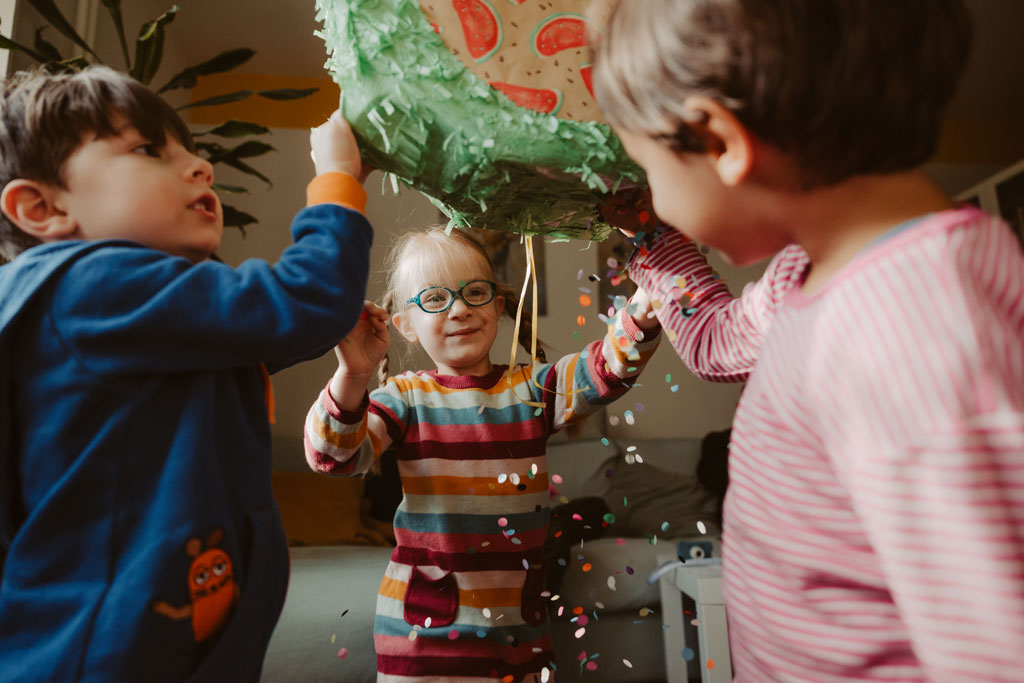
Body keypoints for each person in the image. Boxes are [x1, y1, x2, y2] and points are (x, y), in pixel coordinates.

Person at [591, 1, 1024, 681]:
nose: (654, 192)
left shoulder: (904, 329)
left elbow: (993, 653)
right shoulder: (812, 271)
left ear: (721, 143)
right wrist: (651, 236)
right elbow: (711, 338)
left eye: (649, 168)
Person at [0, 66, 373, 681]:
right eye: (149, 151)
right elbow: (302, 302)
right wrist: (337, 183)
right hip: (104, 653)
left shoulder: (106, 309)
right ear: (43, 207)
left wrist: (319, 322)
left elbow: (229, 353)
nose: (201, 168)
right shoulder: (92, 281)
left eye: (194, 153)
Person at [303, 226, 661, 681]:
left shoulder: (532, 390)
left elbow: (606, 368)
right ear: (406, 326)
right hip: (424, 636)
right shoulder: (405, 397)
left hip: (519, 633)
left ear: (496, 305)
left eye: (474, 292)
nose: (459, 309)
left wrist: (645, 310)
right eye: (435, 299)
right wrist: (352, 375)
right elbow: (333, 456)